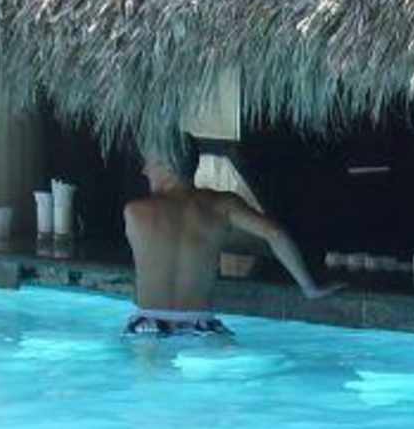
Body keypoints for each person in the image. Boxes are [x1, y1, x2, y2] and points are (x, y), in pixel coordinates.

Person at [122, 144, 341, 337]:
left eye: (150, 163)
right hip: (201, 325)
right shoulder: (222, 204)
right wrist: (309, 288)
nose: (144, 170)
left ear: (169, 165)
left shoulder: (134, 211)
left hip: (148, 325)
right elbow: (275, 233)